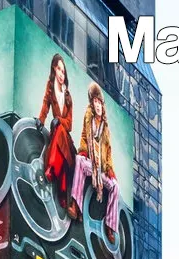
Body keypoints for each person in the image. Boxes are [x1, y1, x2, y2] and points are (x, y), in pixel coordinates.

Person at [68, 83, 119, 244]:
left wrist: (110, 169)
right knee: (79, 160)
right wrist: (83, 150)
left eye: (99, 102)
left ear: (102, 106)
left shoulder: (106, 129)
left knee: (115, 187)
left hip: (101, 169)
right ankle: (75, 205)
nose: (97, 105)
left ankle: (110, 226)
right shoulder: (89, 118)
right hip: (91, 163)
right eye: (95, 102)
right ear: (92, 104)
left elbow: (108, 151)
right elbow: (84, 136)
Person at [36, 54, 75, 209]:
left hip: (65, 137)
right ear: (54, 69)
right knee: (58, 132)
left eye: (63, 71)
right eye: (59, 69)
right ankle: (61, 190)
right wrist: (41, 120)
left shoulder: (68, 96)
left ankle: (52, 169)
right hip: (56, 133)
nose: (61, 74)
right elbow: (46, 103)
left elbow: (69, 125)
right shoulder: (50, 86)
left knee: (61, 131)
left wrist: (59, 119)